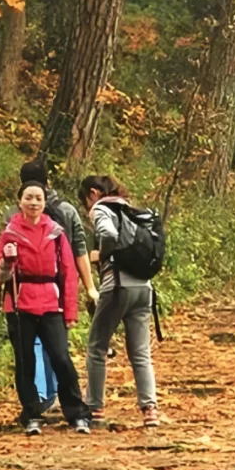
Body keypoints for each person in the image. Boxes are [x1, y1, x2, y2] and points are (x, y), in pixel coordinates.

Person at [0, 182, 91, 436]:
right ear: (19, 201)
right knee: (25, 361)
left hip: (51, 303)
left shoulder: (56, 233)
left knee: (61, 357)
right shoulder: (10, 232)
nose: (33, 203)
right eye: (28, 198)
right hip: (19, 303)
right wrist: (6, 262)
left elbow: (68, 273)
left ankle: (77, 412)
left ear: (45, 202)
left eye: (38, 198)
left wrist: (70, 311)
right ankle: (32, 413)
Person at [3, 159, 100, 413]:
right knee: (57, 349)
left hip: (23, 290)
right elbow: (80, 250)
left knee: (30, 349)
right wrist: (89, 287)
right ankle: (57, 397)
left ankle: (43, 399)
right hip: (58, 288)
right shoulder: (67, 210)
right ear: (50, 180)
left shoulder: (11, 213)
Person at [78, 174, 159, 428]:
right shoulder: (129, 207)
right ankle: (150, 410)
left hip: (118, 287)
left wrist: (99, 255)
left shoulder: (101, 209)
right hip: (144, 288)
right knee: (140, 352)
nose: (87, 209)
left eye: (85, 202)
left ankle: (95, 408)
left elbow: (109, 235)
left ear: (93, 193)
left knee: (96, 346)